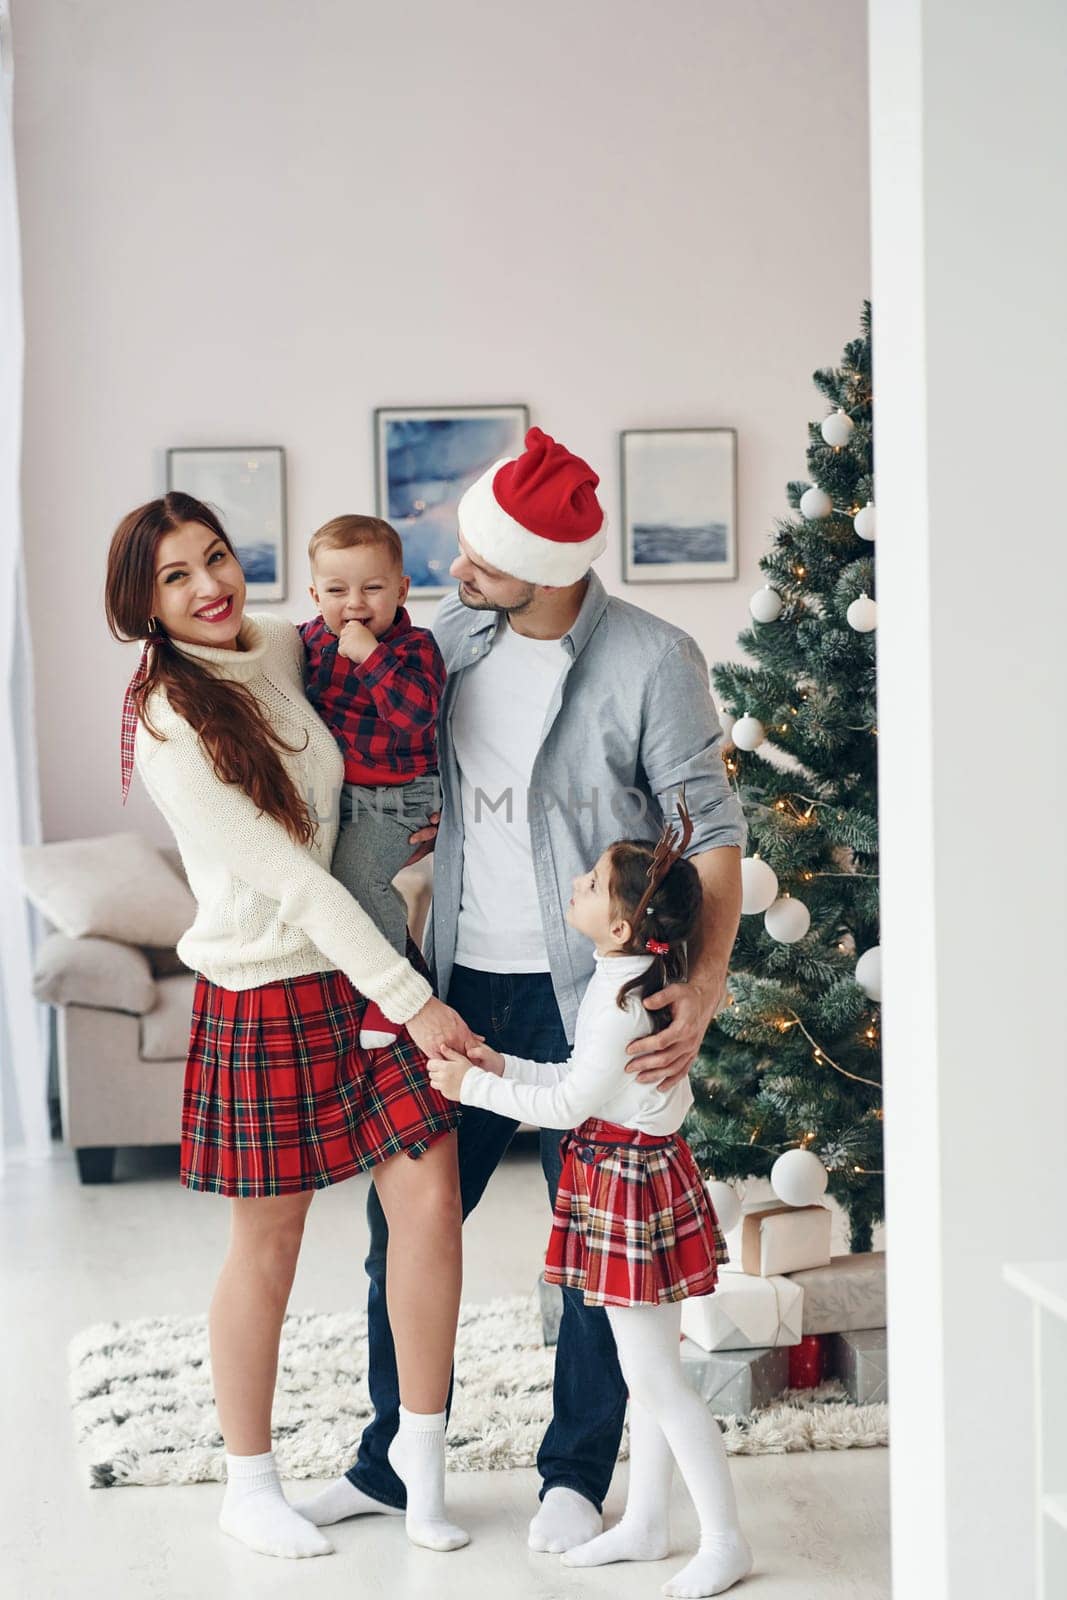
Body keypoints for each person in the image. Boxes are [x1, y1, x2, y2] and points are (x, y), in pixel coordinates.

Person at [300, 427, 746, 1554]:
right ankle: (388, 1462)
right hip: (451, 985)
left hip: (583, 996)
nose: (457, 574)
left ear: (549, 568)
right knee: (402, 1230)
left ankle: (575, 1470)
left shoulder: (653, 657)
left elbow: (713, 838)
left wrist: (700, 989)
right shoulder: (444, 639)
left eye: (482, 560)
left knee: (595, 1246)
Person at [106, 492, 475, 1561]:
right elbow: (295, 884)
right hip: (270, 988)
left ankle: (418, 1450)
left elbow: (375, 644)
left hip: (354, 966)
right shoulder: (170, 716)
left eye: (214, 558)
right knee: (269, 1242)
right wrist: (419, 1000)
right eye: (176, 576)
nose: (208, 586)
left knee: (431, 1197)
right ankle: (247, 1479)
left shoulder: (272, 645)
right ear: (143, 601)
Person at [427, 804, 753, 1599]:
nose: (574, 884)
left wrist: (474, 1086)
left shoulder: (616, 1000)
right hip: (624, 1172)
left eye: (591, 882)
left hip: (628, 1186)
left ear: (617, 924)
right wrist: (499, 1059)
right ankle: (644, 1525)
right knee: (647, 1373)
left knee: (659, 1381)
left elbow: (569, 1106)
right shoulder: (622, 979)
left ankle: (724, 1540)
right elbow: (582, 1084)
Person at [298, 514, 446, 1049]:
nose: (354, 603)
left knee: (359, 880)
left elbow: (415, 716)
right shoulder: (309, 641)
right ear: (315, 594)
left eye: (373, 588)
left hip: (401, 794)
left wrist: (370, 658)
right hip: (340, 794)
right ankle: (365, 979)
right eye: (337, 590)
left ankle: (400, 990)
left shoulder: (415, 649)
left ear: (402, 589)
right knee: (322, 885)